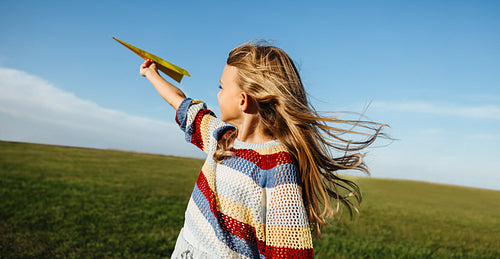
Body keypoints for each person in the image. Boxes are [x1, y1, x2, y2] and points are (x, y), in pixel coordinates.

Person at [140, 41, 385, 258]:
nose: (218, 93)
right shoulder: (222, 138)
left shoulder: (278, 170)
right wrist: (151, 73)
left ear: (243, 100)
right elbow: (182, 103)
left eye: (222, 87)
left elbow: (290, 253)